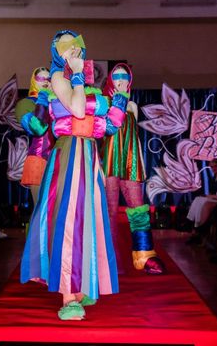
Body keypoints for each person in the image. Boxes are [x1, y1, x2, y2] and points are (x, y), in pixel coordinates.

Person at [21, 30, 128, 320]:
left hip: (89, 154)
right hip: (69, 155)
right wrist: (77, 74)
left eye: (76, 46)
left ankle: (80, 287)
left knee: (88, 219)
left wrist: (119, 101)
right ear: (57, 52)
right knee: (69, 219)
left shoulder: (85, 85)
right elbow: (78, 110)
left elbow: (107, 126)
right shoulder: (59, 78)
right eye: (66, 47)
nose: (73, 51)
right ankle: (68, 295)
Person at [99, 63, 165, 275]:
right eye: (117, 76)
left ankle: (145, 256)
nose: (121, 81)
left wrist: (139, 163)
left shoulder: (133, 105)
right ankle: (107, 259)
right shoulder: (102, 103)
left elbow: (133, 137)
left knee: (138, 209)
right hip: (109, 161)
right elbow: (104, 133)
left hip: (130, 162)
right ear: (110, 80)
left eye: (125, 77)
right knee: (109, 211)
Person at [14, 66, 54, 207]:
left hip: (61, 160)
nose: (45, 81)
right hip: (39, 160)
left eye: (49, 78)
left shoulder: (57, 103)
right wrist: (43, 99)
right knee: (41, 209)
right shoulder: (25, 103)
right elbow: (37, 129)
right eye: (41, 78)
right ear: (33, 81)